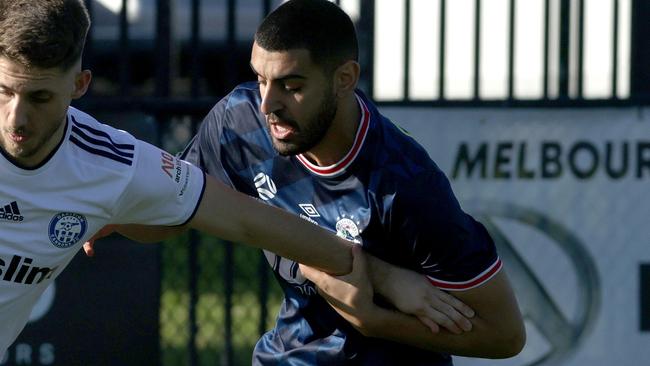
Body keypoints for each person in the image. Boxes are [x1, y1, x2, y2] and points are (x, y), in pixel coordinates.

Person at [0, 0, 458, 359]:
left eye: (39, 96)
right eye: (4, 91)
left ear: (79, 85)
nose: (16, 117)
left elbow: (244, 220)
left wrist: (382, 276)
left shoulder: (114, 164)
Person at [169, 0, 526, 364]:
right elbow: (170, 209)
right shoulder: (241, 122)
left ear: (345, 79)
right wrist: (380, 275)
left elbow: (506, 336)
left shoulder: (406, 186)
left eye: (291, 86)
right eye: (261, 80)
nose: (267, 105)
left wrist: (376, 321)